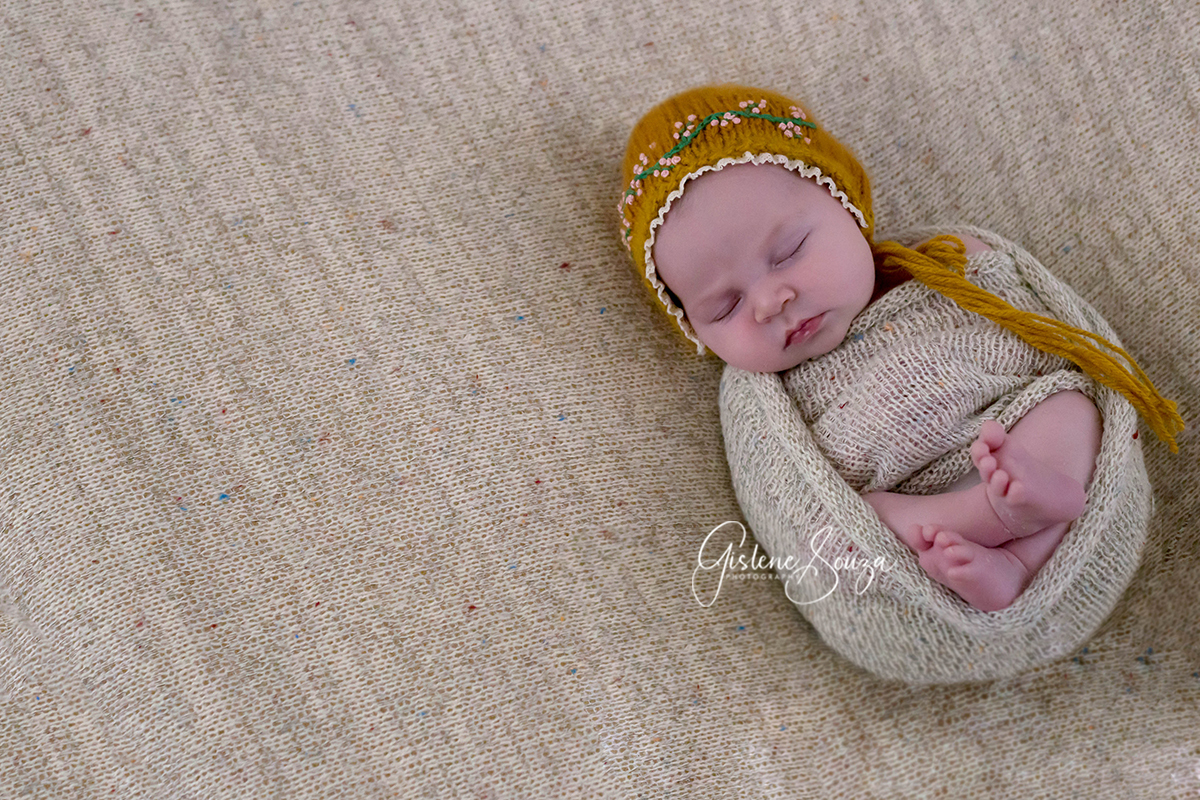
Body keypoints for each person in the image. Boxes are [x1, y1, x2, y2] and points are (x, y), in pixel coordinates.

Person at [618, 84, 1183, 611]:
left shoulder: (940, 268)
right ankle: (994, 537)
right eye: (725, 307)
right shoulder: (762, 397)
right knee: (849, 527)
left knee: (1071, 405)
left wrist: (976, 261)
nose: (770, 301)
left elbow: (1043, 338)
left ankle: (1019, 539)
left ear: (848, 208)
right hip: (911, 503)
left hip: (1012, 437)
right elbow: (786, 500)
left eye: (789, 251)